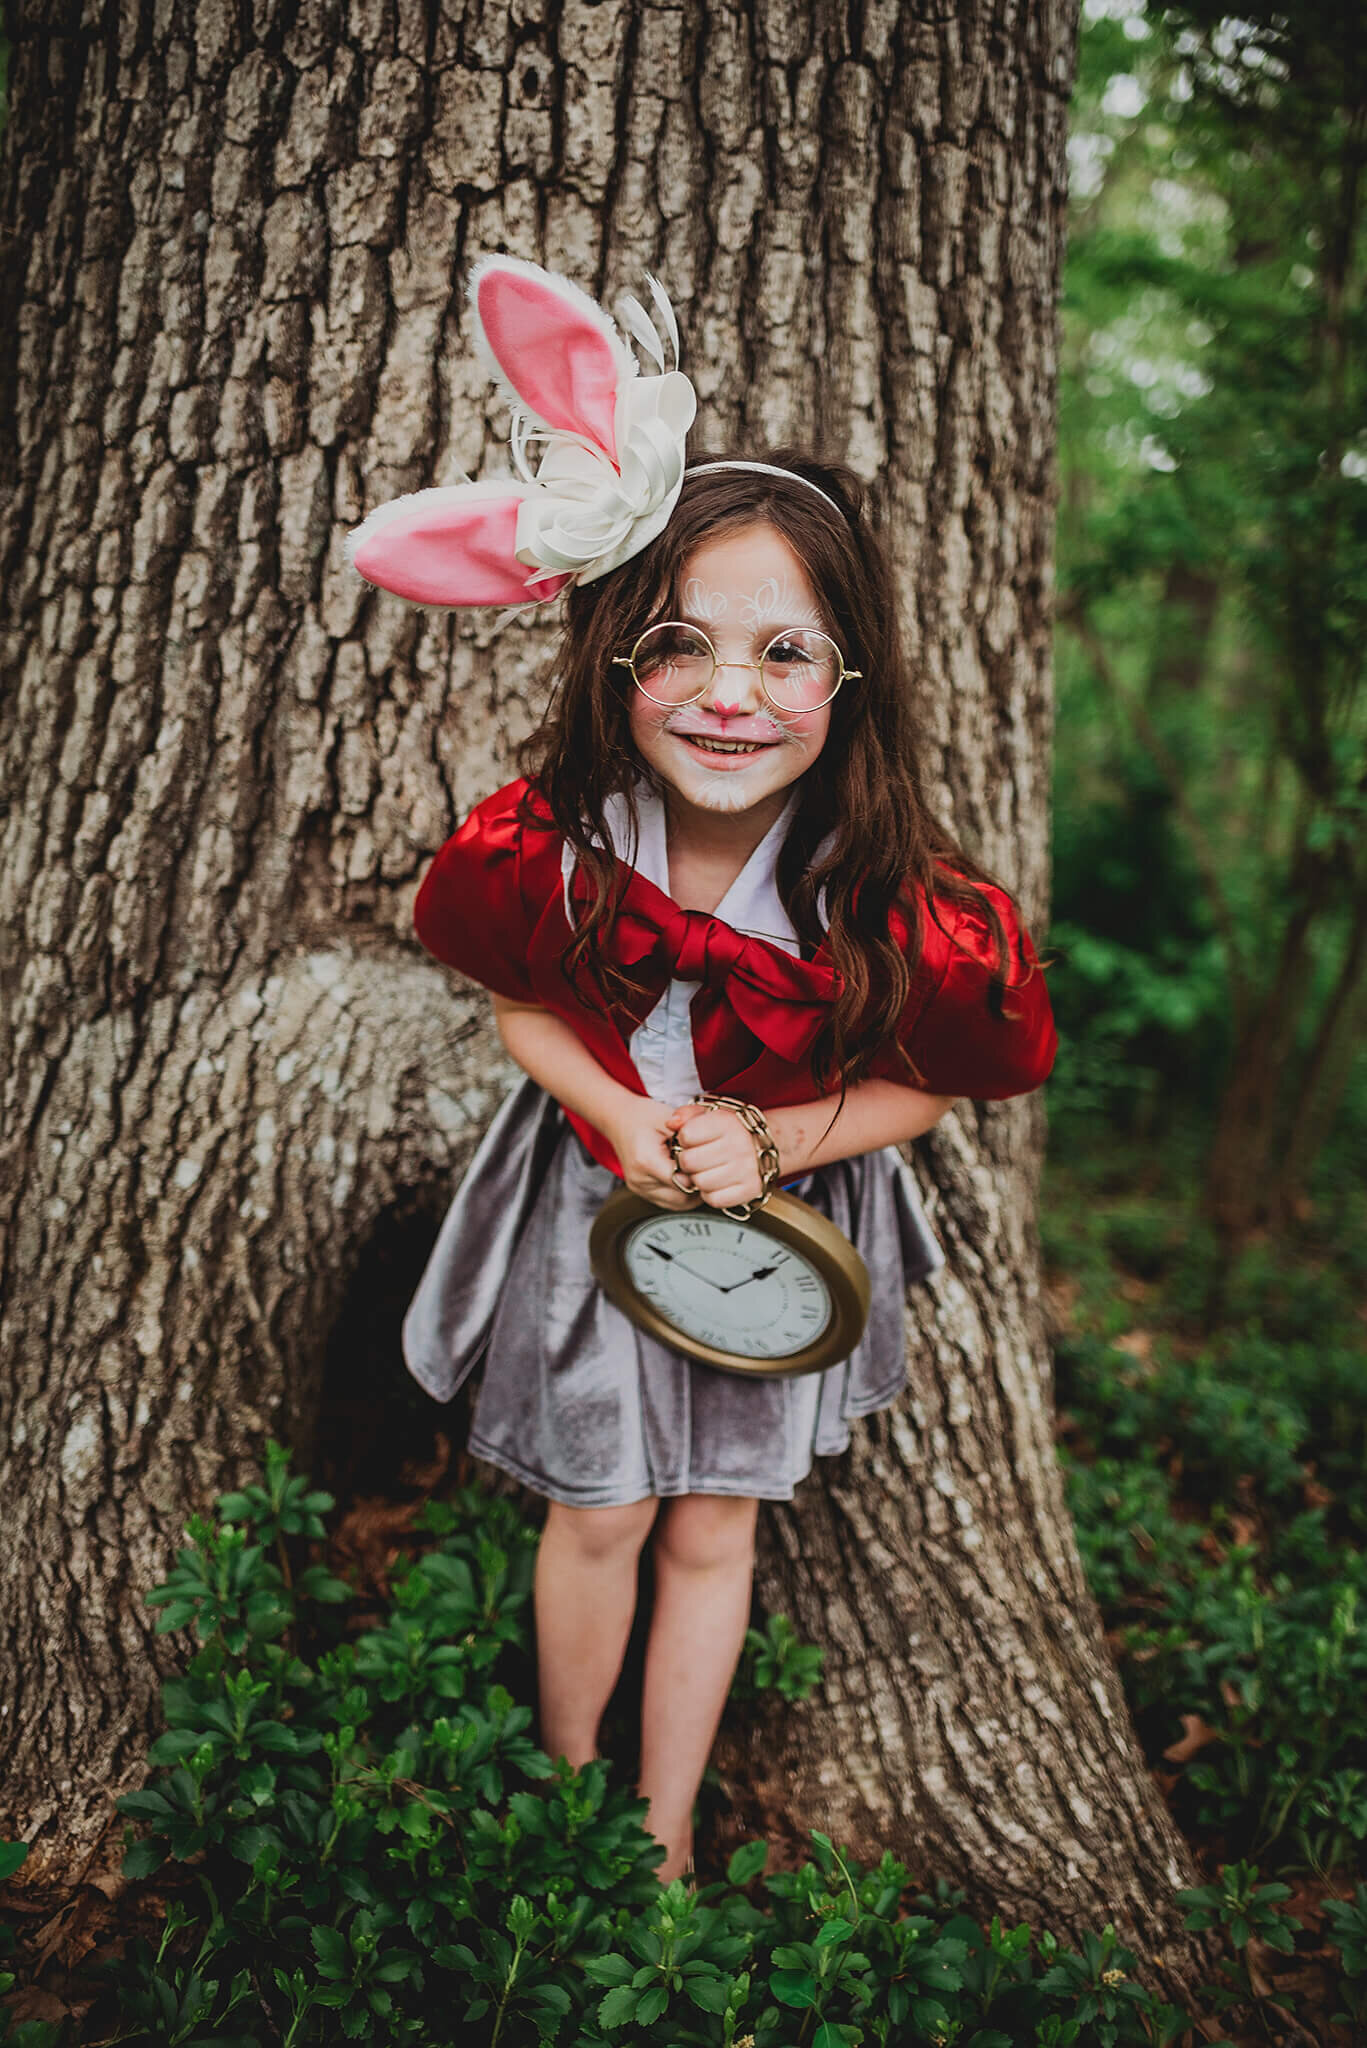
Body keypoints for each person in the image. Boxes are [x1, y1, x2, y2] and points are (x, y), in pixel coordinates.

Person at [349, 257, 1058, 1884]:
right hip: (592, 1212)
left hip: (777, 1233)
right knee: (593, 1511)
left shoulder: (887, 891)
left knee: (712, 1523)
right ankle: (565, 1784)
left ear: (851, 672)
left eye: (785, 654)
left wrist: (775, 1136)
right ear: (613, 655)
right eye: (681, 644)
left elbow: (935, 1090)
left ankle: (661, 1841)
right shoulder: (557, 846)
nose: (731, 696)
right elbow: (523, 1015)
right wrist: (620, 1116)